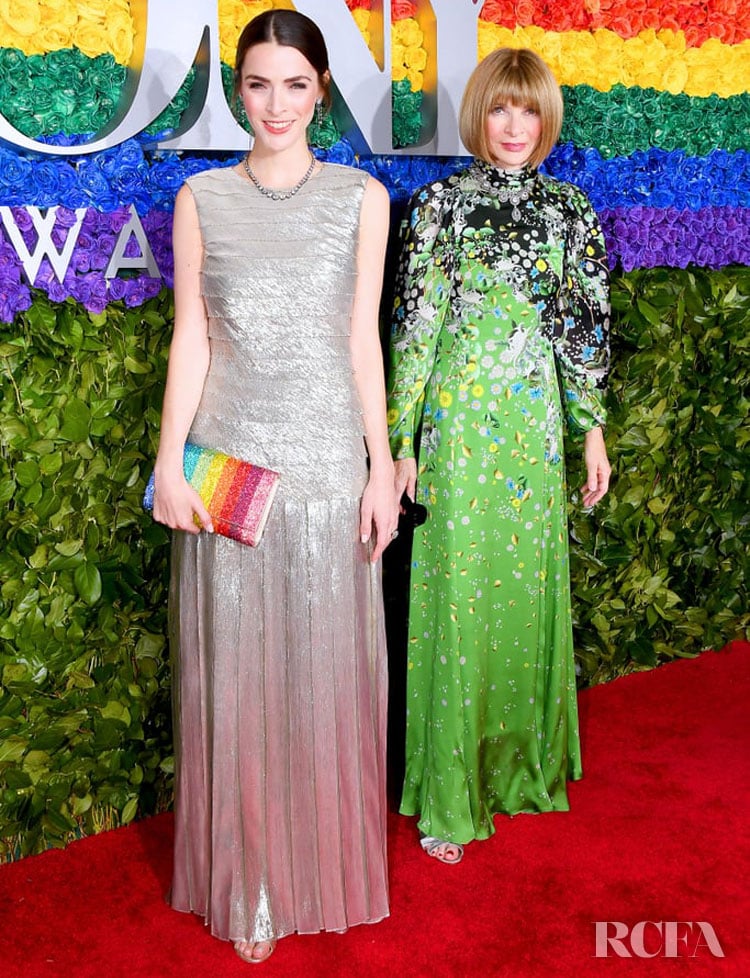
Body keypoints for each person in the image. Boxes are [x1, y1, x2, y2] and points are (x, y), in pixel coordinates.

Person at [151, 9, 399, 965]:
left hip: (331, 464)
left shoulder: (362, 198)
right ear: (237, 91)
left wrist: (381, 469)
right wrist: (169, 461)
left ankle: (318, 870)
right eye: (259, 84)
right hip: (229, 464)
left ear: (322, 90)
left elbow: (359, 342)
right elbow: (193, 338)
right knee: (238, 679)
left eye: (296, 85)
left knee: (325, 674)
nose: (277, 104)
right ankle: (249, 879)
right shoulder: (201, 197)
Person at [387, 47, 611, 865]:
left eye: (528, 111)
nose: (514, 127)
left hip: (532, 426)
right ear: (478, 114)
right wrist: (401, 440)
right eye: (499, 109)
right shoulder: (439, 206)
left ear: (545, 118)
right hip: (458, 426)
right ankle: (451, 792)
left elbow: (581, 329)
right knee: (457, 598)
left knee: (523, 592)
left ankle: (523, 767)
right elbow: (414, 328)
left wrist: (589, 427)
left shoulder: (569, 211)